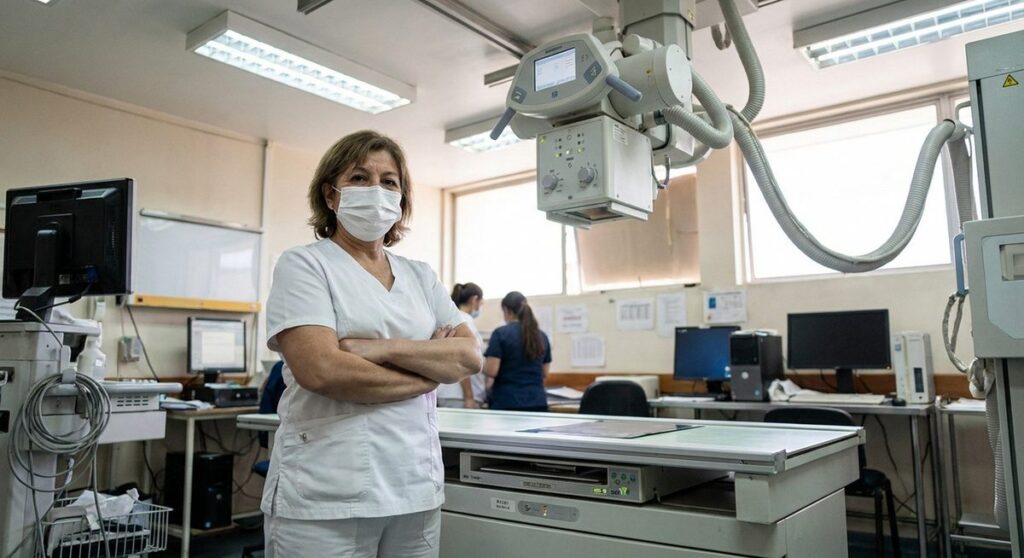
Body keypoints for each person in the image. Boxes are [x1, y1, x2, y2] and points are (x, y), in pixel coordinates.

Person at [262, 130, 482, 558]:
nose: (376, 190)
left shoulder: (420, 275)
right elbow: (322, 370)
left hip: (414, 486)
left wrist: (380, 349)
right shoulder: (305, 264)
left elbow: (468, 355)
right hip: (326, 494)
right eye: (360, 178)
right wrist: (429, 373)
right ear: (331, 195)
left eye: (389, 182)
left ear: (401, 198)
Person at [484, 291, 552, 412]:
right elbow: (545, 373)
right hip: (537, 401)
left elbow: (491, 370)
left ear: (506, 309)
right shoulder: (542, 336)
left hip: (507, 401)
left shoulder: (500, 333)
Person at [437, 283, 487, 408]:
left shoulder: (453, 318)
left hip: (449, 393)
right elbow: (463, 359)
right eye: (481, 303)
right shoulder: (463, 321)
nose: (480, 307)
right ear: (474, 300)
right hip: (459, 396)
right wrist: (469, 396)